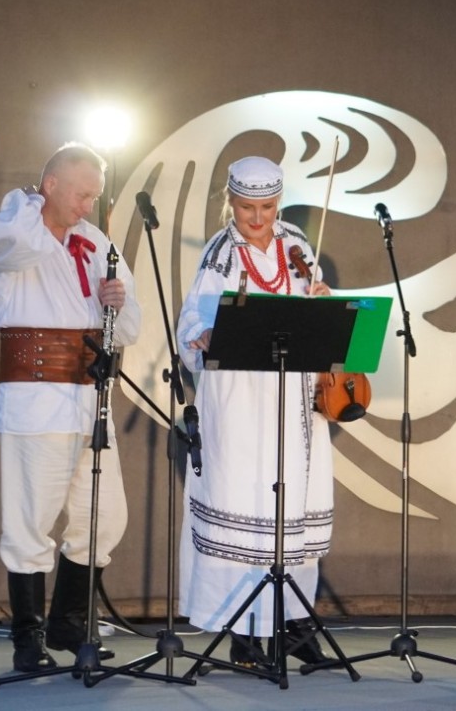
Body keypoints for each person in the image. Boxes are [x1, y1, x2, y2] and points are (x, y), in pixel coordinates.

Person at [0, 143, 140, 671]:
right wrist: (32, 204)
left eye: (95, 196)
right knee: (30, 518)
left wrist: (117, 303)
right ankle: (27, 638)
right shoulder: (9, 227)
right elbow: (17, 246)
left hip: (89, 397)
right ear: (50, 185)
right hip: (37, 396)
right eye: (82, 194)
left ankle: (69, 622)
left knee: (104, 517)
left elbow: (129, 327)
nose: (89, 206)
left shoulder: (95, 243)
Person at [176, 156, 335, 666]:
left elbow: (316, 312)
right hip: (242, 404)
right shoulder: (220, 254)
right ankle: (245, 635)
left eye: (267, 207)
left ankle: (295, 629)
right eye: (247, 208)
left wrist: (323, 301)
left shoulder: (297, 245)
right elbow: (191, 323)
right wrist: (201, 335)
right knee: (247, 506)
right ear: (231, 202)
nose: (258, 218)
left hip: (294, 400)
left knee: (292, 511)